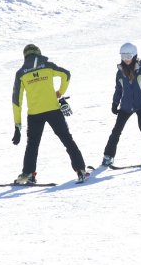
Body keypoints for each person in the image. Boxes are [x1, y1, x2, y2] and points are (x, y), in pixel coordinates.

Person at [11, 44, 88, 184]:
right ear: (38, 54)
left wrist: (17, 125)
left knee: (32, 145)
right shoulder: (47, 65)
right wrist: (60, 93)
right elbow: (66, 74)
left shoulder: (21, 73)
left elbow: (17, 101)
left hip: (34, 115)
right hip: (53, 110)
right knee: (67, 139)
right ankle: (80, 169)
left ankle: (28, 174)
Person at [101, 42, 141, 167]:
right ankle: (108, 156)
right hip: (126, 105)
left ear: (135, 55)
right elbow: (118, 89)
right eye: (123, 56)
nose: (126, 59)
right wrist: (115, 103)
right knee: (116, 131)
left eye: (128, 55)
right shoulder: (120, 72)